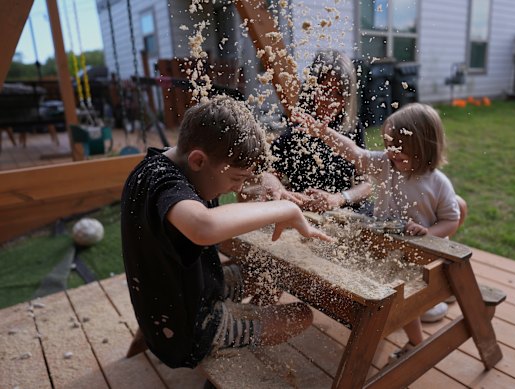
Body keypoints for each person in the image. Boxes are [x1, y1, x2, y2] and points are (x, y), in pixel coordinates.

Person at [120, 95, 331, 369]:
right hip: (189, 330)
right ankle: (232, 346)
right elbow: (204, 227)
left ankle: (242, 325)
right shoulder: (166, 184)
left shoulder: (173, 160)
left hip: (189, 289)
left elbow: (242, 170)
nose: (237, 188)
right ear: (198, 161)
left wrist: (266, 179)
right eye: (235, 180)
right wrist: (286, 209)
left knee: (271, 272)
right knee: (302, 315)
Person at [292, 102, 466, 356]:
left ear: (423, 148)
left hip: (420, 254)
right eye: (387, 145)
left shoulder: (438, 183)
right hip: (387, 246)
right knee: (389, 292)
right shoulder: (387, 165)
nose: (390, 153)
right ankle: (414, 325)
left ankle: (416, 343)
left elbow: (451, 220)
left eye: (398, 149)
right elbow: (354, 153)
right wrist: (324, 133)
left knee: (403, 299)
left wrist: (427, 233)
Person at [241, 50, 372, 213]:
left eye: (339, 94)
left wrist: (338, 198)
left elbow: (366, 185)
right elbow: (266, 175)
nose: (330, 101)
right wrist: (290, 195)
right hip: (305, 214)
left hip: (343, 212)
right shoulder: (296, 131)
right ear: (311, 88)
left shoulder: (351, 128)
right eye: (324, 90)